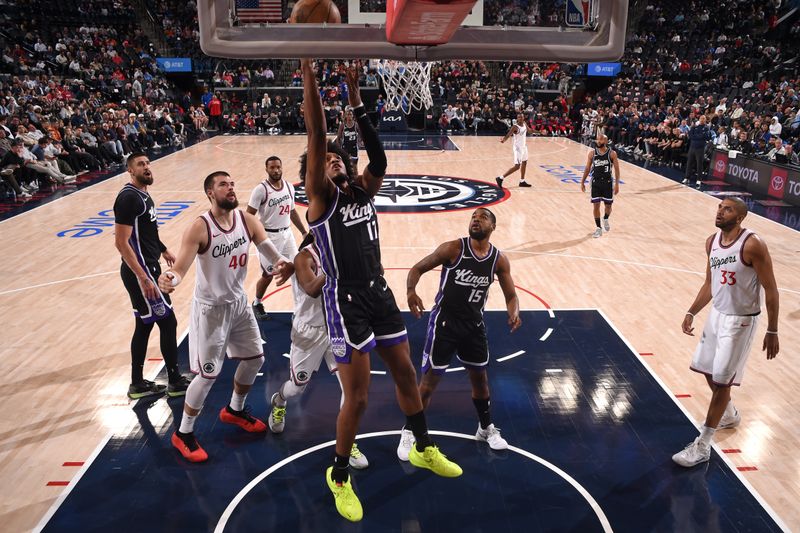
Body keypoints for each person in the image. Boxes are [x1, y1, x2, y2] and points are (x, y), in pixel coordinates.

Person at [301, 59, 461, 523]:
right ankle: (339, 474)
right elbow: (316, 134)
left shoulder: (362, 191)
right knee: (361, 397)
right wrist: (310, 72)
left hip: (378, 291)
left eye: (337, 157)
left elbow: (380, 159)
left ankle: (423, 446)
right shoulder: (319, 198)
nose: (332, 160)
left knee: (407, 374)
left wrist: (357, 100)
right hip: (344, 299)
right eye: (326, 159)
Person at [156, 171, 294, 463]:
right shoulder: (200, 227)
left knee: (255, 358)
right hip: (211, 310)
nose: (231, 189)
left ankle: (234, 409)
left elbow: (268, 250)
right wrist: (169, 278)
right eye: (223, 185)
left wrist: (282, 263)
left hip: (239, 304)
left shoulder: (247, 220)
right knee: (207, 375)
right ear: (210, 193)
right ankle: (183, 433)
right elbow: (180, 268)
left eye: (232, 184)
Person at [399, 208, 521, 458]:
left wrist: (514, 311)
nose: (476, 219)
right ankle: (409, 431)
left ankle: (485, 428)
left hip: (474, 326)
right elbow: (417, 268)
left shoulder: (499, 260)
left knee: (480, 380)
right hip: (444, 323)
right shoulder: (453, 248)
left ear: (493, 227)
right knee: (428, 385)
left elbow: (511, 295)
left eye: (483, 217)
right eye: (473, 216)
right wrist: (411, 291)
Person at [672, 198, 780, 468]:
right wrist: (691, 311)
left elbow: (771, 289)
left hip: (741, 321)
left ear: (741, 217)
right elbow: (710, 283)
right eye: (719, 207)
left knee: (722, 382)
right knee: (708, 371)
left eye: (727, 209)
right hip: (717, 315)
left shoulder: (753, 244)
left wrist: (773, 329)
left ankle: (703, 445)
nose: (720, 211)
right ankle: (729, 414)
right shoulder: (712, 242)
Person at [266, 233, 369, 470]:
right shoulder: (303, 258)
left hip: (336, 327)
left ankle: (347, 443)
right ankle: (279, 401)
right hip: (308, 332)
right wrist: (338, 268)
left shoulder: (343, 253)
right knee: (297, 388)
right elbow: (312, 288)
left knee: (350, 389)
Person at [113, 152, 190, 399]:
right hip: (141, 271)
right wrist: (144, 277)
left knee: (144, 326)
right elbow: (121, 243)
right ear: (130, 170)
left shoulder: (143, 194)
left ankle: (137, 384)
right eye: (140, 164)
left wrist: (163, 248)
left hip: (148, 266)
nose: (146, 167)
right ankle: (175, 381)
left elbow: (146, 231)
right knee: (168, 322)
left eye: (147, 163)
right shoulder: (128, 198)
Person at [246, 156, 307, 320]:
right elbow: (249, 216)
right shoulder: (261, 190)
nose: (275, 170)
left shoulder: (288, 186)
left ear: (282, 167)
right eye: (272, 168)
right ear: (266, 169)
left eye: (278, 167)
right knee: (268, 275)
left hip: (287, 234)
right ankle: (257, 302)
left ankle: (299, 309)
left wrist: (303, 231)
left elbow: (292, 211)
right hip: (268, 237)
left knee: (296, 269)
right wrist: (248, 240)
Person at [580, 134, 621, 238]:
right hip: (596, 182)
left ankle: (606, 218)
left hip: (607, 183)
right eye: (598, 139)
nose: (598, 141)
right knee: (596, 205)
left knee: (608, 206)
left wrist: (617, 184)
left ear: (606, 141)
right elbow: (587, 168)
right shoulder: (592, 154)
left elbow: (617, 169)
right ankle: (598, 228)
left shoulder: (612, 154)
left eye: (601, 139)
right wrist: (582, 181)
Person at [496, 113, 532, 188]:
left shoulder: (524, 123)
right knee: (517, 166)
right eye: (519, 117)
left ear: (523, 118)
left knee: (524, 162)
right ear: (517, 118)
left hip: (524, 147)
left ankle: (522, 181)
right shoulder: (515, 127)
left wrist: (540, 132)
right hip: (517, 148)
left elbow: (530, 131)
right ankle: (500, 178)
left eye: (522, 117)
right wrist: (503, 140)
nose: (521, 118)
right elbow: (508, 135)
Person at [683, 115, 713, 188]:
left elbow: (705, 136)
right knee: (689, 163)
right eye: (701, 118)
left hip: (700, 149)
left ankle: (699, 180)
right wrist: (697, 136)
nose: (702, 120)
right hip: (692, 147)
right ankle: (687, 178)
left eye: (703, 119)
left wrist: (696, 136)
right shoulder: (694, 126)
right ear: (699, 119)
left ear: (705, 120)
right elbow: (690, 135)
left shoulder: (706, 128)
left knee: (699, 164)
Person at [336, 106, 360, 177]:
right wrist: (338, 147)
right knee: (344, 164)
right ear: (345, 116)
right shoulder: (342, 125)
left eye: (350, 114)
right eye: (348, 114)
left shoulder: (356, 125)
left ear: (353, 116)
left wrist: (360, 141)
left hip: (354, 147)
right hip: (345, 147)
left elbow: (361, 134)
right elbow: (339, 137)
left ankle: (356, 179)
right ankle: (345, 179)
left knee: (355, 165)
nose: (349, 116)